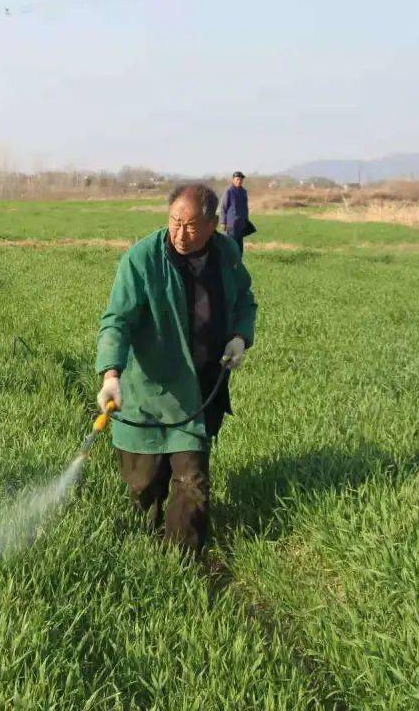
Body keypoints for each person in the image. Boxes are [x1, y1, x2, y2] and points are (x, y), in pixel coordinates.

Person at [96, 183, 257, 557]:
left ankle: (181, 568)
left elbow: (245, 300)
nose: (180, 234)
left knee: (192, 486)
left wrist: (239, 337)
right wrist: (111, 374)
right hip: (147, 393)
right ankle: (142, 557)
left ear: (214, 224)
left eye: (191, 225)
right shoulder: (142, 259)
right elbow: (117, 320)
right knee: (144, 488)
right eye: (174, 222)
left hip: (198, 391)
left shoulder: (227, 254)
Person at [219, 171, 250, 253]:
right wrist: (223, 222)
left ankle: (239, 262)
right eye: (237, 179)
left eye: (241, 179)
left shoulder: (244, 192)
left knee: (240, 246)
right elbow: (223, 207)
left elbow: (245, 208)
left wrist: (246, 220)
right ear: (233, 180)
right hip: (232, 224)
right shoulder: (229, 191)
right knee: (232, 244)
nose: (239, 181)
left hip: (241, 223)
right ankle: (231, 262)